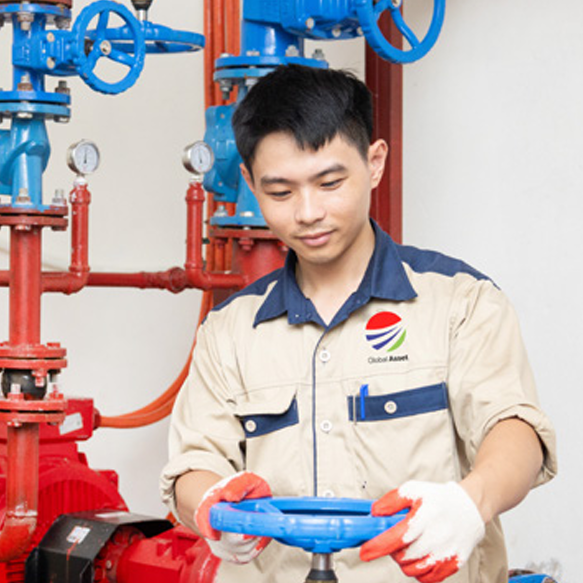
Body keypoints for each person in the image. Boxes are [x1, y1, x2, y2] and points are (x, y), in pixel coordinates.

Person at [160, 64, 557, 583]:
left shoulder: (460, 302)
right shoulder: (229, 330)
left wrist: (469, 502)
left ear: (374, 163)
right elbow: (193, 466)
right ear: (251, 184)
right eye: (280, 192)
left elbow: (516, 430)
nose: (308, 212)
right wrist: (213, 503)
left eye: (330, 183)